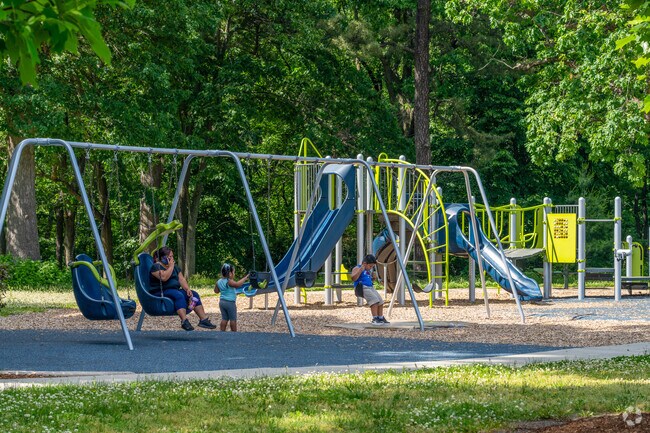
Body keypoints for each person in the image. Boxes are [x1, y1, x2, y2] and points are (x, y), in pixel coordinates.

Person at [150, 246, 217, 331]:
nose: (171, 259)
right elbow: (164, 277)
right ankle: (184, 321)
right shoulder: (156, 267)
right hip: (161, 291)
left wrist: (187, 289)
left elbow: (181, 279)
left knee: (194, 294)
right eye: (169, 257)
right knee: (178, 295)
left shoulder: (175, 267)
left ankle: (203, 320)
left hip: (173, 290)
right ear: (163, 257)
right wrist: (171, 267)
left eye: (172, 256)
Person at [351, 254, 389, 324]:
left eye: (372, 266)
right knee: (374, 301)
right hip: (362, 287)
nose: (371, 268)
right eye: (370, 266)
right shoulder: (357, 268)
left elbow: (367, 279)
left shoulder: (367, 271)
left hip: (370, 287)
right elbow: (353, 278)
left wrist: (373, 279)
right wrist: (360, 270)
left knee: (380, 301)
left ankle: (380, 317)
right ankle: (375, 318)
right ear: (364, 264)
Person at [215, 263, 249, 331]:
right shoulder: (229, 281)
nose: (234, 274)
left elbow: (216, 291)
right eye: (233, 272)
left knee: (224, 318)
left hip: (222, 302)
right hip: (230, 303)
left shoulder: (218, 281)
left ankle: (222, 332)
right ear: (230, 273)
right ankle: (234, 333)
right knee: (233, 319)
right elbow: (237, 285)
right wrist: (245, 278)